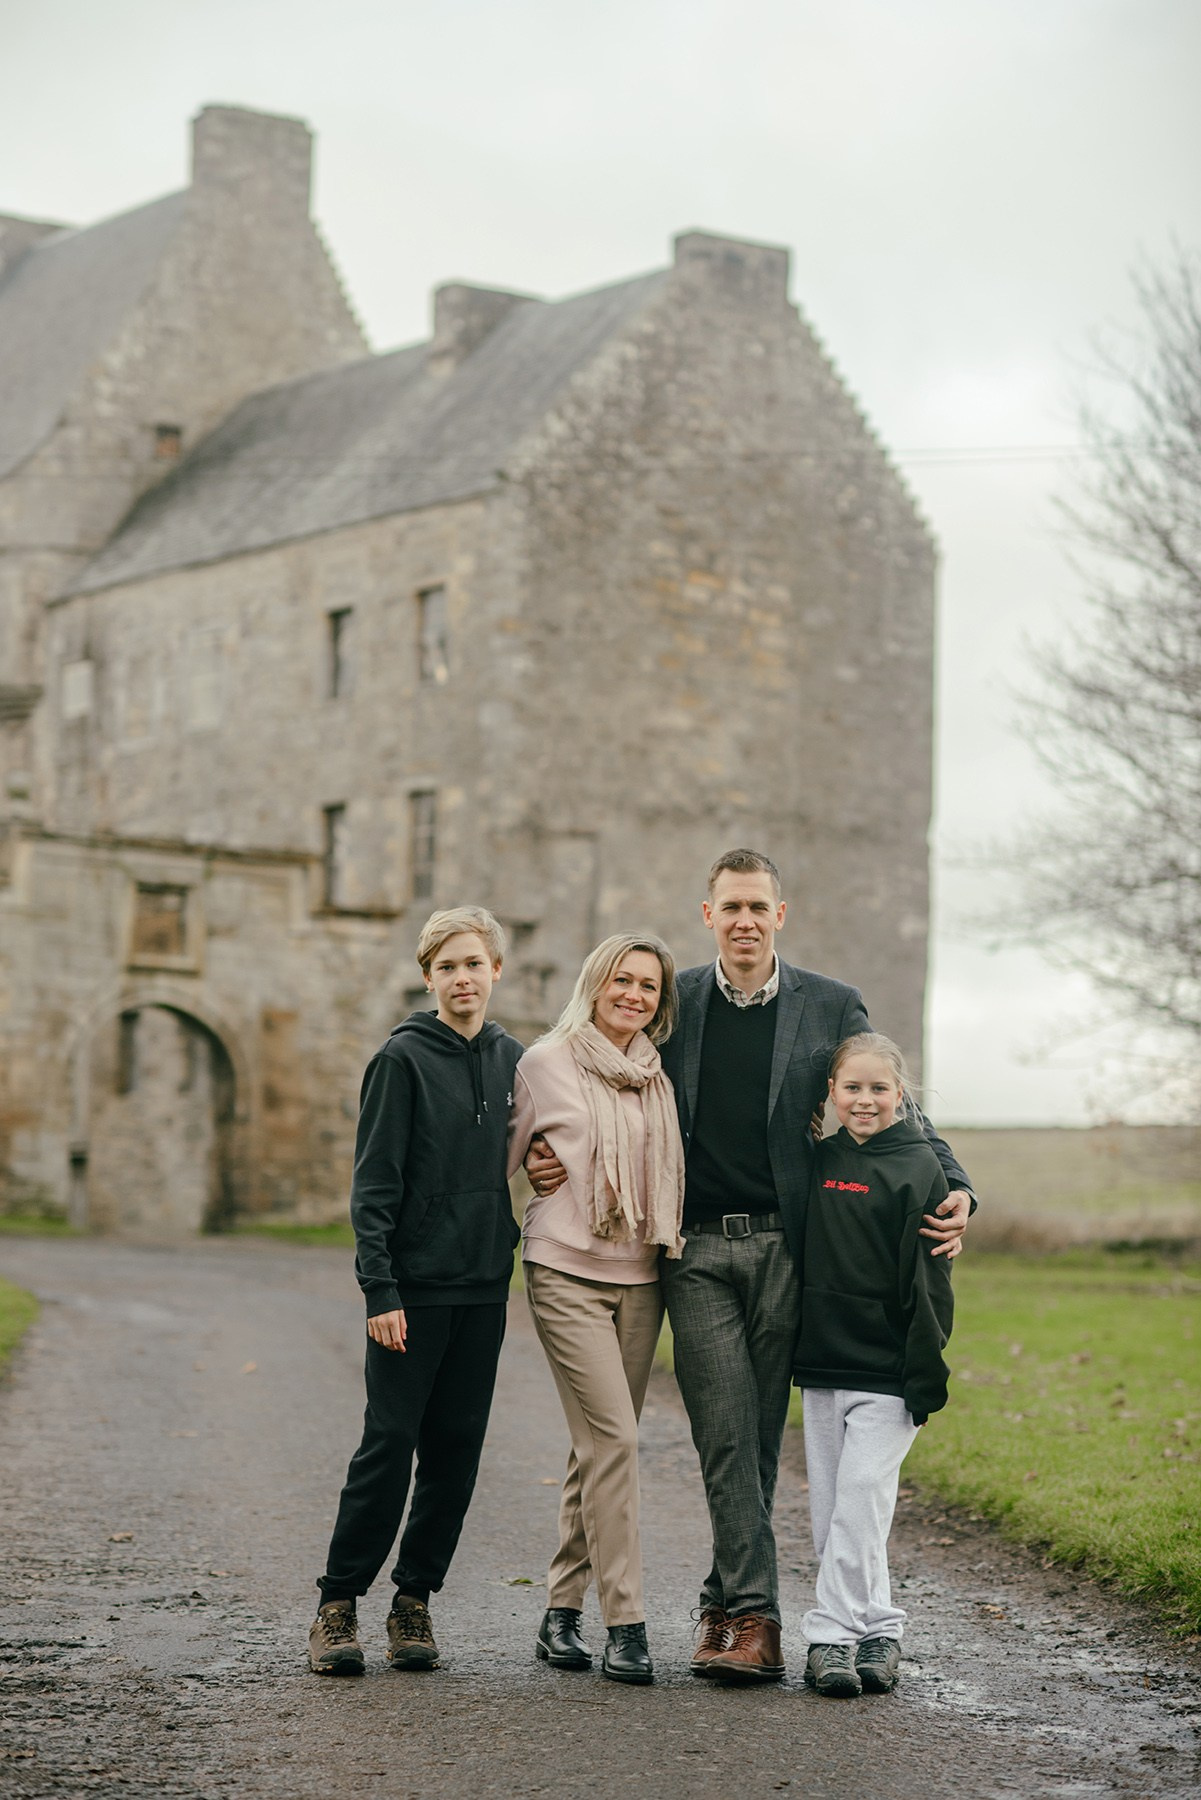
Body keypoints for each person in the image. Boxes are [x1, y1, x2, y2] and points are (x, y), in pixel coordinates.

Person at [527, 847, 972, 1684]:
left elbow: (895, 1104)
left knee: (760, 1438)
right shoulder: (676, 1001)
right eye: (728, 907)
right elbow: (598, 1072)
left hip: (786, 1249)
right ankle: (752, 1620)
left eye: (756, 907)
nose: (742, 921)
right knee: (725, 1436)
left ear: (779, 916)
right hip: (692, 1252)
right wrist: (546, 1151)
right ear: (707, 915)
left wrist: (956, 1187)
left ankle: (728, 1603)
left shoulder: (831, 1004)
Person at [308, 906, 523, 1676]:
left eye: (474, 964)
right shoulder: (400, 1060)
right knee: (389, 1445)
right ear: (427, 976)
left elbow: (529, 1148)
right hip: (411, 1293)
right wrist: (379, 1289)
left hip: (484, 1290)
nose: (462, 979)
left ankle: (414, 1603)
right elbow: (373, 1187)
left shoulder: (511, 1062)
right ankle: (337, 1606)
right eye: (446, 967)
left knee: (455, 1453)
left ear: (496, 969)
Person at [508, 934, 685, 1686]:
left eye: (648, 986)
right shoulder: (543, 1062)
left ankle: (557, 1613)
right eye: (622, 980)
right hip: (565, 1272)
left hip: (641, 1276)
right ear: (595, 982)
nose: (634, 995)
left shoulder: (654, 1074)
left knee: (596, 1445)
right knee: (614, 1438)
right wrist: (529, 1174)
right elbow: (501, 1156)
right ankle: (626, 1623)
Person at [795, 1032, 954, 1699]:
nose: (863, 1100)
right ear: (830, 1092)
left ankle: (828, 1636)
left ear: (900, 1095)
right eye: (851, 1087)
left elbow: (930, 1284)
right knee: (837, 1509)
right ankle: (880, 1630)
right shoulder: (815, 1159)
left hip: (889, 1372)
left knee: (859, 1496)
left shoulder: (919, 1166)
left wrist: (922, 1370)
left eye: (878, 1088)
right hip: (824, 1364)